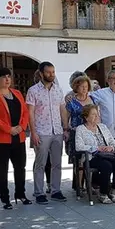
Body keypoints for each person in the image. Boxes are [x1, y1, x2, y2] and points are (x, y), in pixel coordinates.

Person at [0, 68, 32, 209]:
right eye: (3, 77)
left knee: (20, 167)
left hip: (18, 137)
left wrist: (22, 127)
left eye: (9, 76)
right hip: (0, 139)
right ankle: (5, 198)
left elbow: (25, 112)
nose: (7, 79)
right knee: (1, 169)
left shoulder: (16, 93)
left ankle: (20, 193)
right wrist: (8, 129)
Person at [27, 62, 68, 203]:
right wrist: (33, 133)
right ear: (41, 73)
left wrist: (66, 127)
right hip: (41, 131)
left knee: (57, 163)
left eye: (53, 72)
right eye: (48, 72)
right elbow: (30, 113)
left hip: (57, 130)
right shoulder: (33, 91)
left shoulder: (58, 90)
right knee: (41, 163)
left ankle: (56, 190)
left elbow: (62, 109)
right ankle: (39, 192)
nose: (51, 74)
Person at [75, 105, 115, 204]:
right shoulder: (80, 129)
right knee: (106, 166)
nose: (97, 116)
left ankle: (113, 191)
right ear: (86, 117)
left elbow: (113, 141)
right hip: (91, 157)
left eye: (97, 114)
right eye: (93, 114)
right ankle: (103, 193)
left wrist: (111, 147)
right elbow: (78, 146)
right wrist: (96, 148)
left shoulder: (102, 127)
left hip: (107, 154)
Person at [91, 69, 115, 156]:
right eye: (113, 78)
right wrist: (70, 96)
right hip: (106, 131)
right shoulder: (100, 93)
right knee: (108, 157)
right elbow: (86, 97)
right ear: (108, 80)